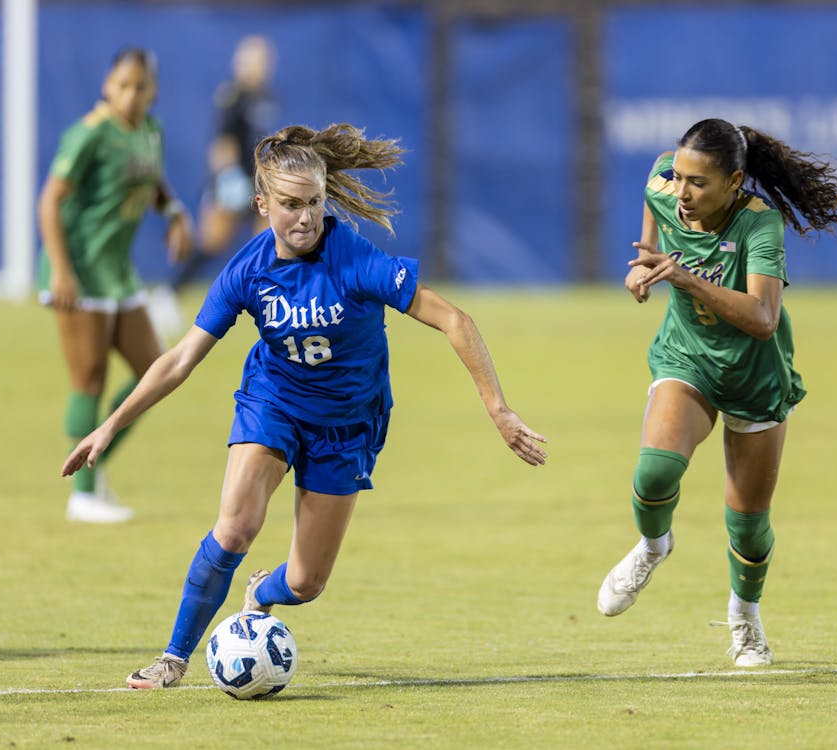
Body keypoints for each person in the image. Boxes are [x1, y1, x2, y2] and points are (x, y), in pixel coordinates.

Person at [61, 123, 548, 689]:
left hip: (346, 425)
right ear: (262, 203)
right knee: (236, 525)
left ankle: (259, 594)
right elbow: (180, 359)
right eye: (290, 204)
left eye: (314, 203)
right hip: (274, 403)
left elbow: (453, 319)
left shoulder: (355, 260)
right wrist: (109, 426)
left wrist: (498, 408)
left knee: (307, 583)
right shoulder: (247, 270)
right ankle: (172, 657)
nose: (305, 218)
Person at [595, 118, 837, 666]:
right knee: (655, 472)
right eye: (680, 177)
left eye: (699, 183)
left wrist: (685, 278)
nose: (683, 193)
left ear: (735, 181)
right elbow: (649, 252)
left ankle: (745, 620)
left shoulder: (760, 224)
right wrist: (639, 275)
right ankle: (653, 546)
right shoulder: (662, 183)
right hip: (687, 357)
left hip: (756, 374)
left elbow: (762, 317)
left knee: (749, 525)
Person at [37, 47, 193, 523]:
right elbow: (50, 201)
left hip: (117, 271)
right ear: (108, 85)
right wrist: (62, 270)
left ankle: (94, 463)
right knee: (89, 379)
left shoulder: (150, 131)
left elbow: (153, 180)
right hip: (80, 270)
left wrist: (173, 212)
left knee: (155, 369)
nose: (130, 94)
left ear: (153, 91)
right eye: (122, 85)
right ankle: (83, 493)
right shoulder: (89, 134)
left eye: (140, 86)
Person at [148, 35, 279, 335]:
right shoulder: (233, 97)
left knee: (273, 242)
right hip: (233, 184)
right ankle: (167, 294)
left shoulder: (268, 97)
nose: (259, 67)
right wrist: (228, 177)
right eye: (253, 60)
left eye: (264, 60)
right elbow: (222, 143)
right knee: (212, 243)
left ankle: (273, 304)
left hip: (261, 184)